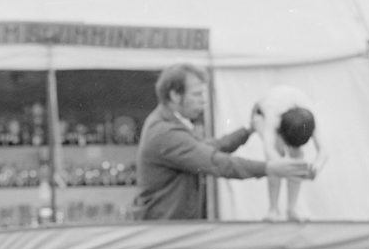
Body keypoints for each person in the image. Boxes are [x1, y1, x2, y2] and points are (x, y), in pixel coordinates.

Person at [133, 64, 316, 221]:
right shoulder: (165, 132)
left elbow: (208, 148)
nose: (203, 100)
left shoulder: (170, 123)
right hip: (164, 230)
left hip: (169, 227)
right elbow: (215, 162)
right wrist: (268, 168)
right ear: (174, 95)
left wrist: (248, 130)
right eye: (197, 94)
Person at [251, 85, 329, 221]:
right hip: (259, 114)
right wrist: (282, 166)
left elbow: (324, 151)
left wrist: (315, 169)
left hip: (287, 109)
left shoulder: (311, 119)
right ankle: (273, 209)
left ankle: (292, 208)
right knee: (276, 159)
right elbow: (269, 149)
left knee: (297, 159)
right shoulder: (273, 117)